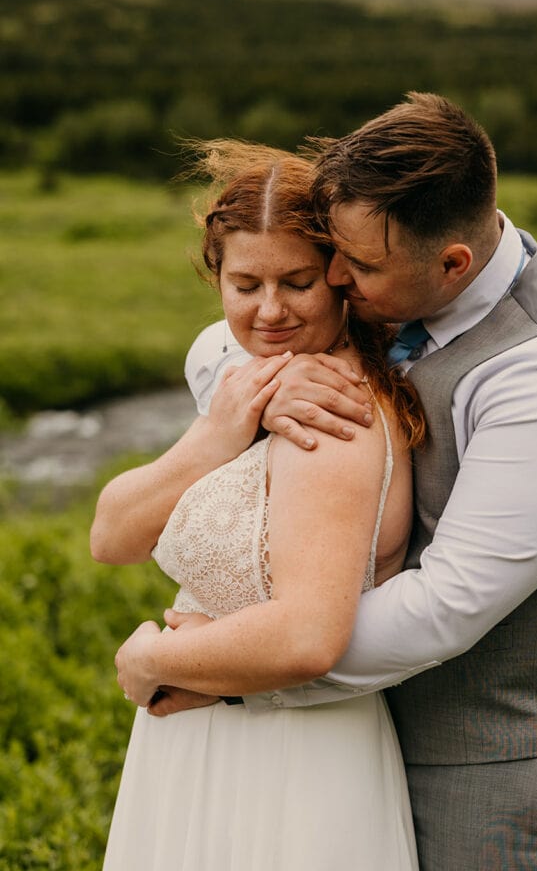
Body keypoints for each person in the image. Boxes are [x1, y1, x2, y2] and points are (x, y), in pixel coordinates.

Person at [113, 94, 537, 871]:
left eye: (359, 265)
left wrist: (220, 669)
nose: (336, 278)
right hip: (369, 731)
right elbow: (230, 334)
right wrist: (263, 381)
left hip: (506, 767)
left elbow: (443, 606)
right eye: (333, 253)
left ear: (452, 263)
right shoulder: (391, 292)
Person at [91, 142, 424, 870]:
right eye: (245, 284)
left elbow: (307, 637)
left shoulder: (332, 413)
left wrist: (153, 657)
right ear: (216, 278)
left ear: (341, 276)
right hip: (199, 737)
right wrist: (219, 430)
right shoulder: (245, 382)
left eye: (296, 282)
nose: (269, 311)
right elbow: (111, 535)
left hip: (290, 754)